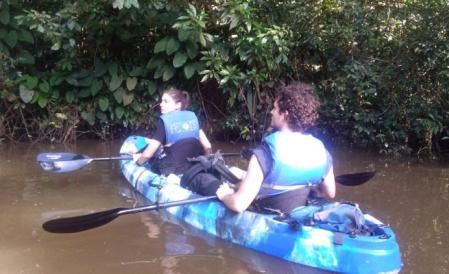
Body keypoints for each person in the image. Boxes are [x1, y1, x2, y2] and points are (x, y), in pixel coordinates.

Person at [183, 82, 336, 214]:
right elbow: (330, 193)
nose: (271, 112)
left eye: (275, 108)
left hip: (265, 210)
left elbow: (239, 204)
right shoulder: (321, 151)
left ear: (285, 115)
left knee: (202, 179)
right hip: (295, 208)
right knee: (237, 177)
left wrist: (224, 195)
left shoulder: (265, 154)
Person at [133, 88, 212, 175]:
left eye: (166, 102)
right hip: (193, 166)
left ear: (178, 105)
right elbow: (208, 147)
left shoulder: (164, 122)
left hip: (171, 170)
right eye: (161, 101)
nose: (161, 104)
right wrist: (205, 162)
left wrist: (138, 162)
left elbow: (148, 155)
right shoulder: (193, 117)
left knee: (150, 159)